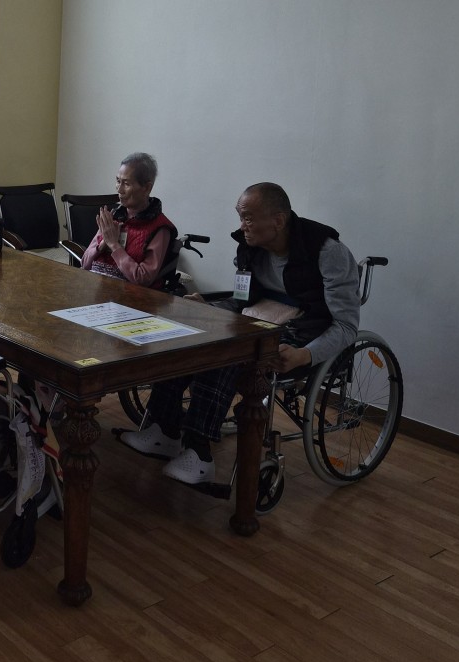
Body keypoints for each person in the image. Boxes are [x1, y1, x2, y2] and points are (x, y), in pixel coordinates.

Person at [119, 182, 360, 486]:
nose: (242, 227)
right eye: (240, 217)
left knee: (228, 353)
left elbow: (347, 326)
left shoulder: (327, 252)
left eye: (248, 218)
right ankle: (164, 431)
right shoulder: (250, 247)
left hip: (304, 331)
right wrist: (207, 307)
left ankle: (199, 452)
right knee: (183, 334)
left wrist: (305, 355)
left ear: (278, 220)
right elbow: (242, 301)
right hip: (256, 319)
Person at [80, 152, 177, 288]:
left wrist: (114, 245)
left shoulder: (160, 228)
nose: (119, 190)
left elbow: (143, 278)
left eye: (126, 183)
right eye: (118, 181)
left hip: (130, 296)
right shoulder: (113, 216)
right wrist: (102, 244)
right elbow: (84, 264)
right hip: (97, 288)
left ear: (147, 188)